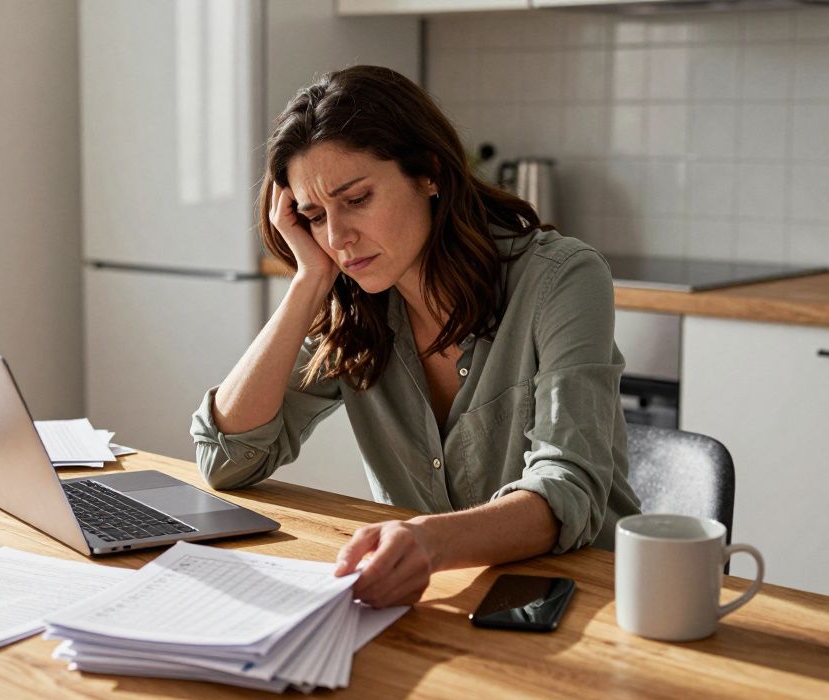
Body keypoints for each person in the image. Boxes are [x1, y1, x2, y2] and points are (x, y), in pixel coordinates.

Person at [190, 65, 640, 608]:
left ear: (428, 173)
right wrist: (310, 281)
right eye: (313, 216)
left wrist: (428, 542)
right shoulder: (353, 311)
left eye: (356, 199)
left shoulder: (560, 279)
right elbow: (228, 461)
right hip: (445, 600)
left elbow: (569, 487)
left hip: (591, 602)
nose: (337, 237)